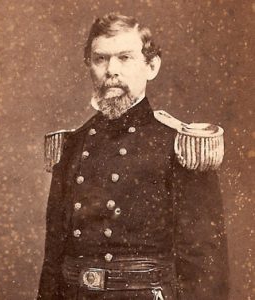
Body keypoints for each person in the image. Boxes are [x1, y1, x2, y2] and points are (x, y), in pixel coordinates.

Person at [38, 13, 229, 300]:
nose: (111, 70)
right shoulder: (72, 145)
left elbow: (204, 260)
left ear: (151, 66)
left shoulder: (178, 145)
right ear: (89, 66)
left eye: (124, 58)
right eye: (100, 59)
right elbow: (53, 260)